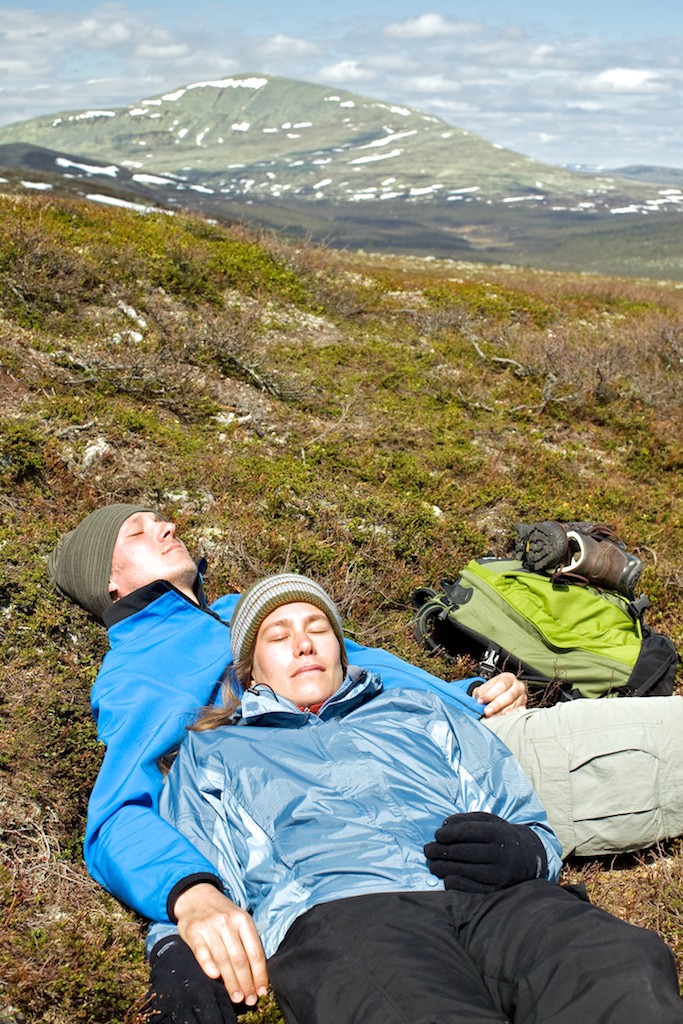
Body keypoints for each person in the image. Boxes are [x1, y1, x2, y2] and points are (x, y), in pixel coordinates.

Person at [46, 505, 683, 1013]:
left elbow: (378, 683)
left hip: (465, 749)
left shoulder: (248, 608)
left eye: (162, 517)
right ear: (107, 577)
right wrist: (186, 901)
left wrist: (469, 695)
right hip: (362, 854)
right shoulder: (141, 669)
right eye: (138, 529)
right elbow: (123, 812)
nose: (166, 526)